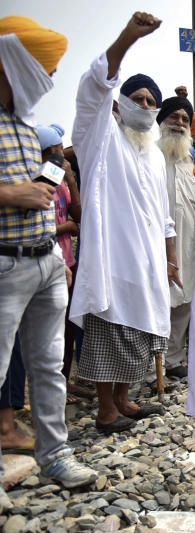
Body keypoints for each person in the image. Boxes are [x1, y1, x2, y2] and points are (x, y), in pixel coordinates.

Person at [0, 15, 97, 499]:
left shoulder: (25, 125)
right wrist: (11, 193)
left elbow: (45, 185)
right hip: (6, 261)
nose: (49, 81)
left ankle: (55, 455)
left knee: (47, 366)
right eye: (43, 70)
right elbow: (19, 191)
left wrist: (47, 180)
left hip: (45, 262)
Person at [71, 12, 179, 434]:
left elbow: (163, 214)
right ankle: (104, 410)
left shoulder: (153, 153)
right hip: (112, 258)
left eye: (153, 101)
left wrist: (169, 259)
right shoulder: (100, 136)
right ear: (119, 104)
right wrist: (126, 41)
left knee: (139, 331)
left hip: (147, 261)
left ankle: (122, 399)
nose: (146, 106)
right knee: (109, 329)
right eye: (138, 98)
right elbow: (93, 87)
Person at [155, 95, 195, 379]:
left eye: (184, 119)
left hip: (189, 241)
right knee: (156, 302)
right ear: (161, 119)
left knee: (184, 302)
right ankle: (148, 365)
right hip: (156, 243)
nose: (179, 123)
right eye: (174, 117)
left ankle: (173, 359)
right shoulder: (151, 156)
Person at [36, 124, 84, 394]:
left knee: (68, 329)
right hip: (46, 263)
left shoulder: (58, 176)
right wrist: (66, 228)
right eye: (56, 150)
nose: (62, 156)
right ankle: (50, 391)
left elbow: (77, 213)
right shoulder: (38, 180)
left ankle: (64, 383)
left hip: (67, 261)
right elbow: (35, 224)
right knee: (51, 334)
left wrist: (72, 181)